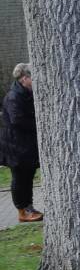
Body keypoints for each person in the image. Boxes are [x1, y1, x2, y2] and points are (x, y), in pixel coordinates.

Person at [2, 64, 40, 222]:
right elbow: (17, 120)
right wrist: (39, 124)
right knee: (19, 177)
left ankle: (28, 207)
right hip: (15, 146)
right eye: (32, 77)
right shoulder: (13, 96)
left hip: (25, 145)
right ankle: (22, 211)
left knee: (28, 175)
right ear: (24, 78)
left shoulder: (26, 93)